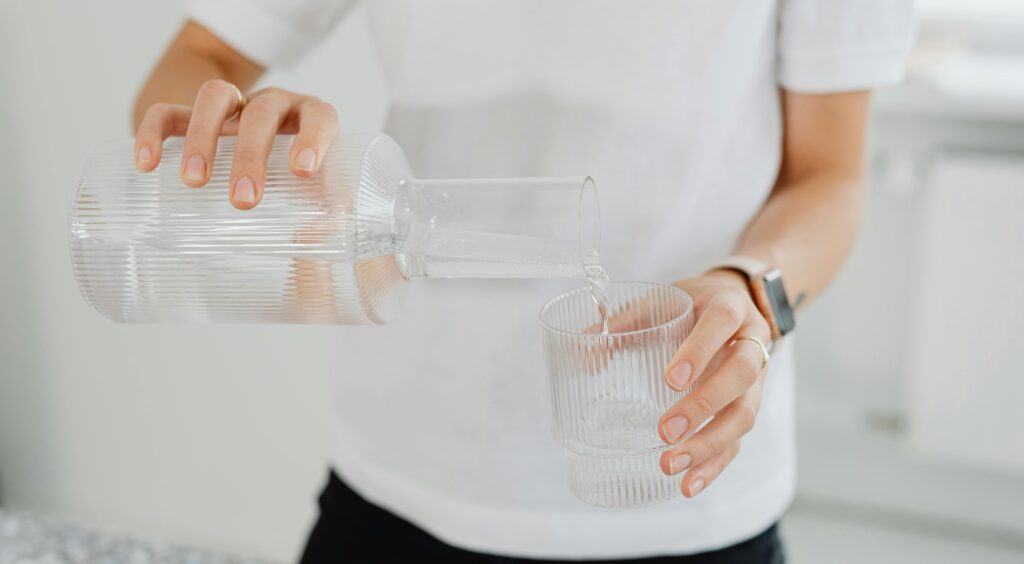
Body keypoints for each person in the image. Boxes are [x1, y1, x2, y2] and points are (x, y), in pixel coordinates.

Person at [132, 1, 915, 562]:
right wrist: (238, 140)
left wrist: (751, 289)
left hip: (685, 499)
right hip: (402, 480)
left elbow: (830, 176)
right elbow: (196, 61)